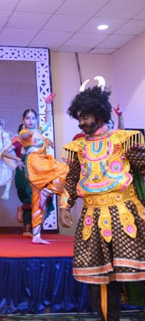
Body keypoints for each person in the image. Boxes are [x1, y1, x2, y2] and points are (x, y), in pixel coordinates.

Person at [60, 83, 145, 321]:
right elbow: (71, 180)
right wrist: (65, 206)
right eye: (79, 118)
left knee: (137, 270)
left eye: (85, 117)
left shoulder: (124, 140)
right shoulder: (77, 148)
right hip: (91, 218)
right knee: (97, 278)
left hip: (126, 215)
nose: (81, 123)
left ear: (99, 115)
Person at [19, 94, 69, 244]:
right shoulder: (23, 133)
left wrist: (47, 105)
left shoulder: (39, 130)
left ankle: (36, 235)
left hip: (42, 162)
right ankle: (47, 192)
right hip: (35, 164)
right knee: (63, 170)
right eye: (27, 118)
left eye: (33, 118)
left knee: (37, 200)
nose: (31, 120)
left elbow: (47, 122)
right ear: (23, 120)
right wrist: (33, 132)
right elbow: (26, 135)